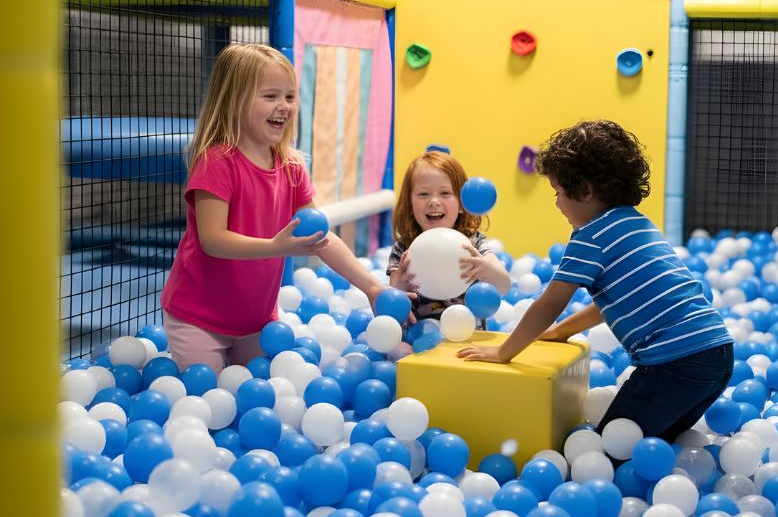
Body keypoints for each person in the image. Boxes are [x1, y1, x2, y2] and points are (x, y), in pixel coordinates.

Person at [457, 119, 733, 442]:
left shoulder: (590, 237)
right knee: (657, 443)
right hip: (716, 355)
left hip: (673, 364)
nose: (557, 203)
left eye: (558, 192)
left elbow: (550, 303)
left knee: (609, 448)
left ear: (585, 191)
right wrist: (561, 333)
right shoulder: (635, 223)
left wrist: (504, 352)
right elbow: (611, 304)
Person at [161, 43, 390, 373]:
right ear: (234, 100)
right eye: (270, 96)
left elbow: (320, 237)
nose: (283, 106)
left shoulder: (291, 167)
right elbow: (212, 239)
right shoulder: (217, 163)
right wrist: (274, 247)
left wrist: (371, 286)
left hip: (254, 320)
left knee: (262, 392)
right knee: (206, 395)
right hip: (200, 318)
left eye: (290, 96)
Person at [387, 151, 511, 324]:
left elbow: (504, 285)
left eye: (445, 193)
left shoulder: (473, 243)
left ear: (462, 204)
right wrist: (400, 282)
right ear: (410, 204)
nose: (434, 201)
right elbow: (392, 302)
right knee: (399, 351)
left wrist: (485, 268)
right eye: (423, 194)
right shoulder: (404, 248)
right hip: (419, 337)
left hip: (467, 337)